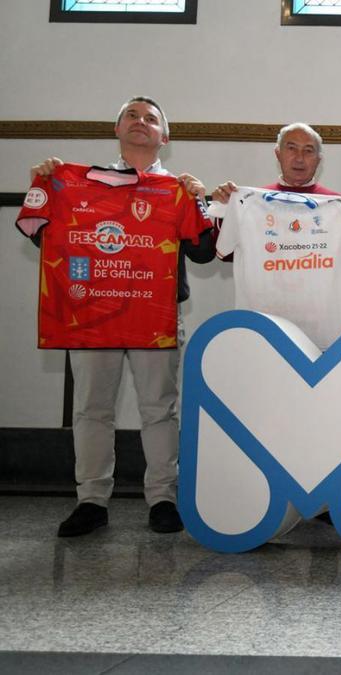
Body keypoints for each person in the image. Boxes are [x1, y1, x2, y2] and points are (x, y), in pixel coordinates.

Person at [27, 96, 215, 537]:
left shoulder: (177, 191)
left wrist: (200, 201)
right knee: (91, 409)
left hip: (156, 315)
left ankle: (163, 499)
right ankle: (91, 500)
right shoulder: (75, 184)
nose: (140, 122)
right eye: (132, 115)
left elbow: (205, 252)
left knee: (159, 410)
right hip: (93, 313)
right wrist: (49, 185)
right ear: (116, 129)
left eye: (151, 119)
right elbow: (49, 244)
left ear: (163, 138)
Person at [208, 122, 341, 348]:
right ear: (278, 153)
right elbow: (225, 254)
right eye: (291, 148)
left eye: (308, 151)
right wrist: (224, 210)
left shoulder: (339, 205)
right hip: (267, 328)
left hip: (323, 330)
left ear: (319, 159)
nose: (299, 158)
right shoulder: (249, 203)